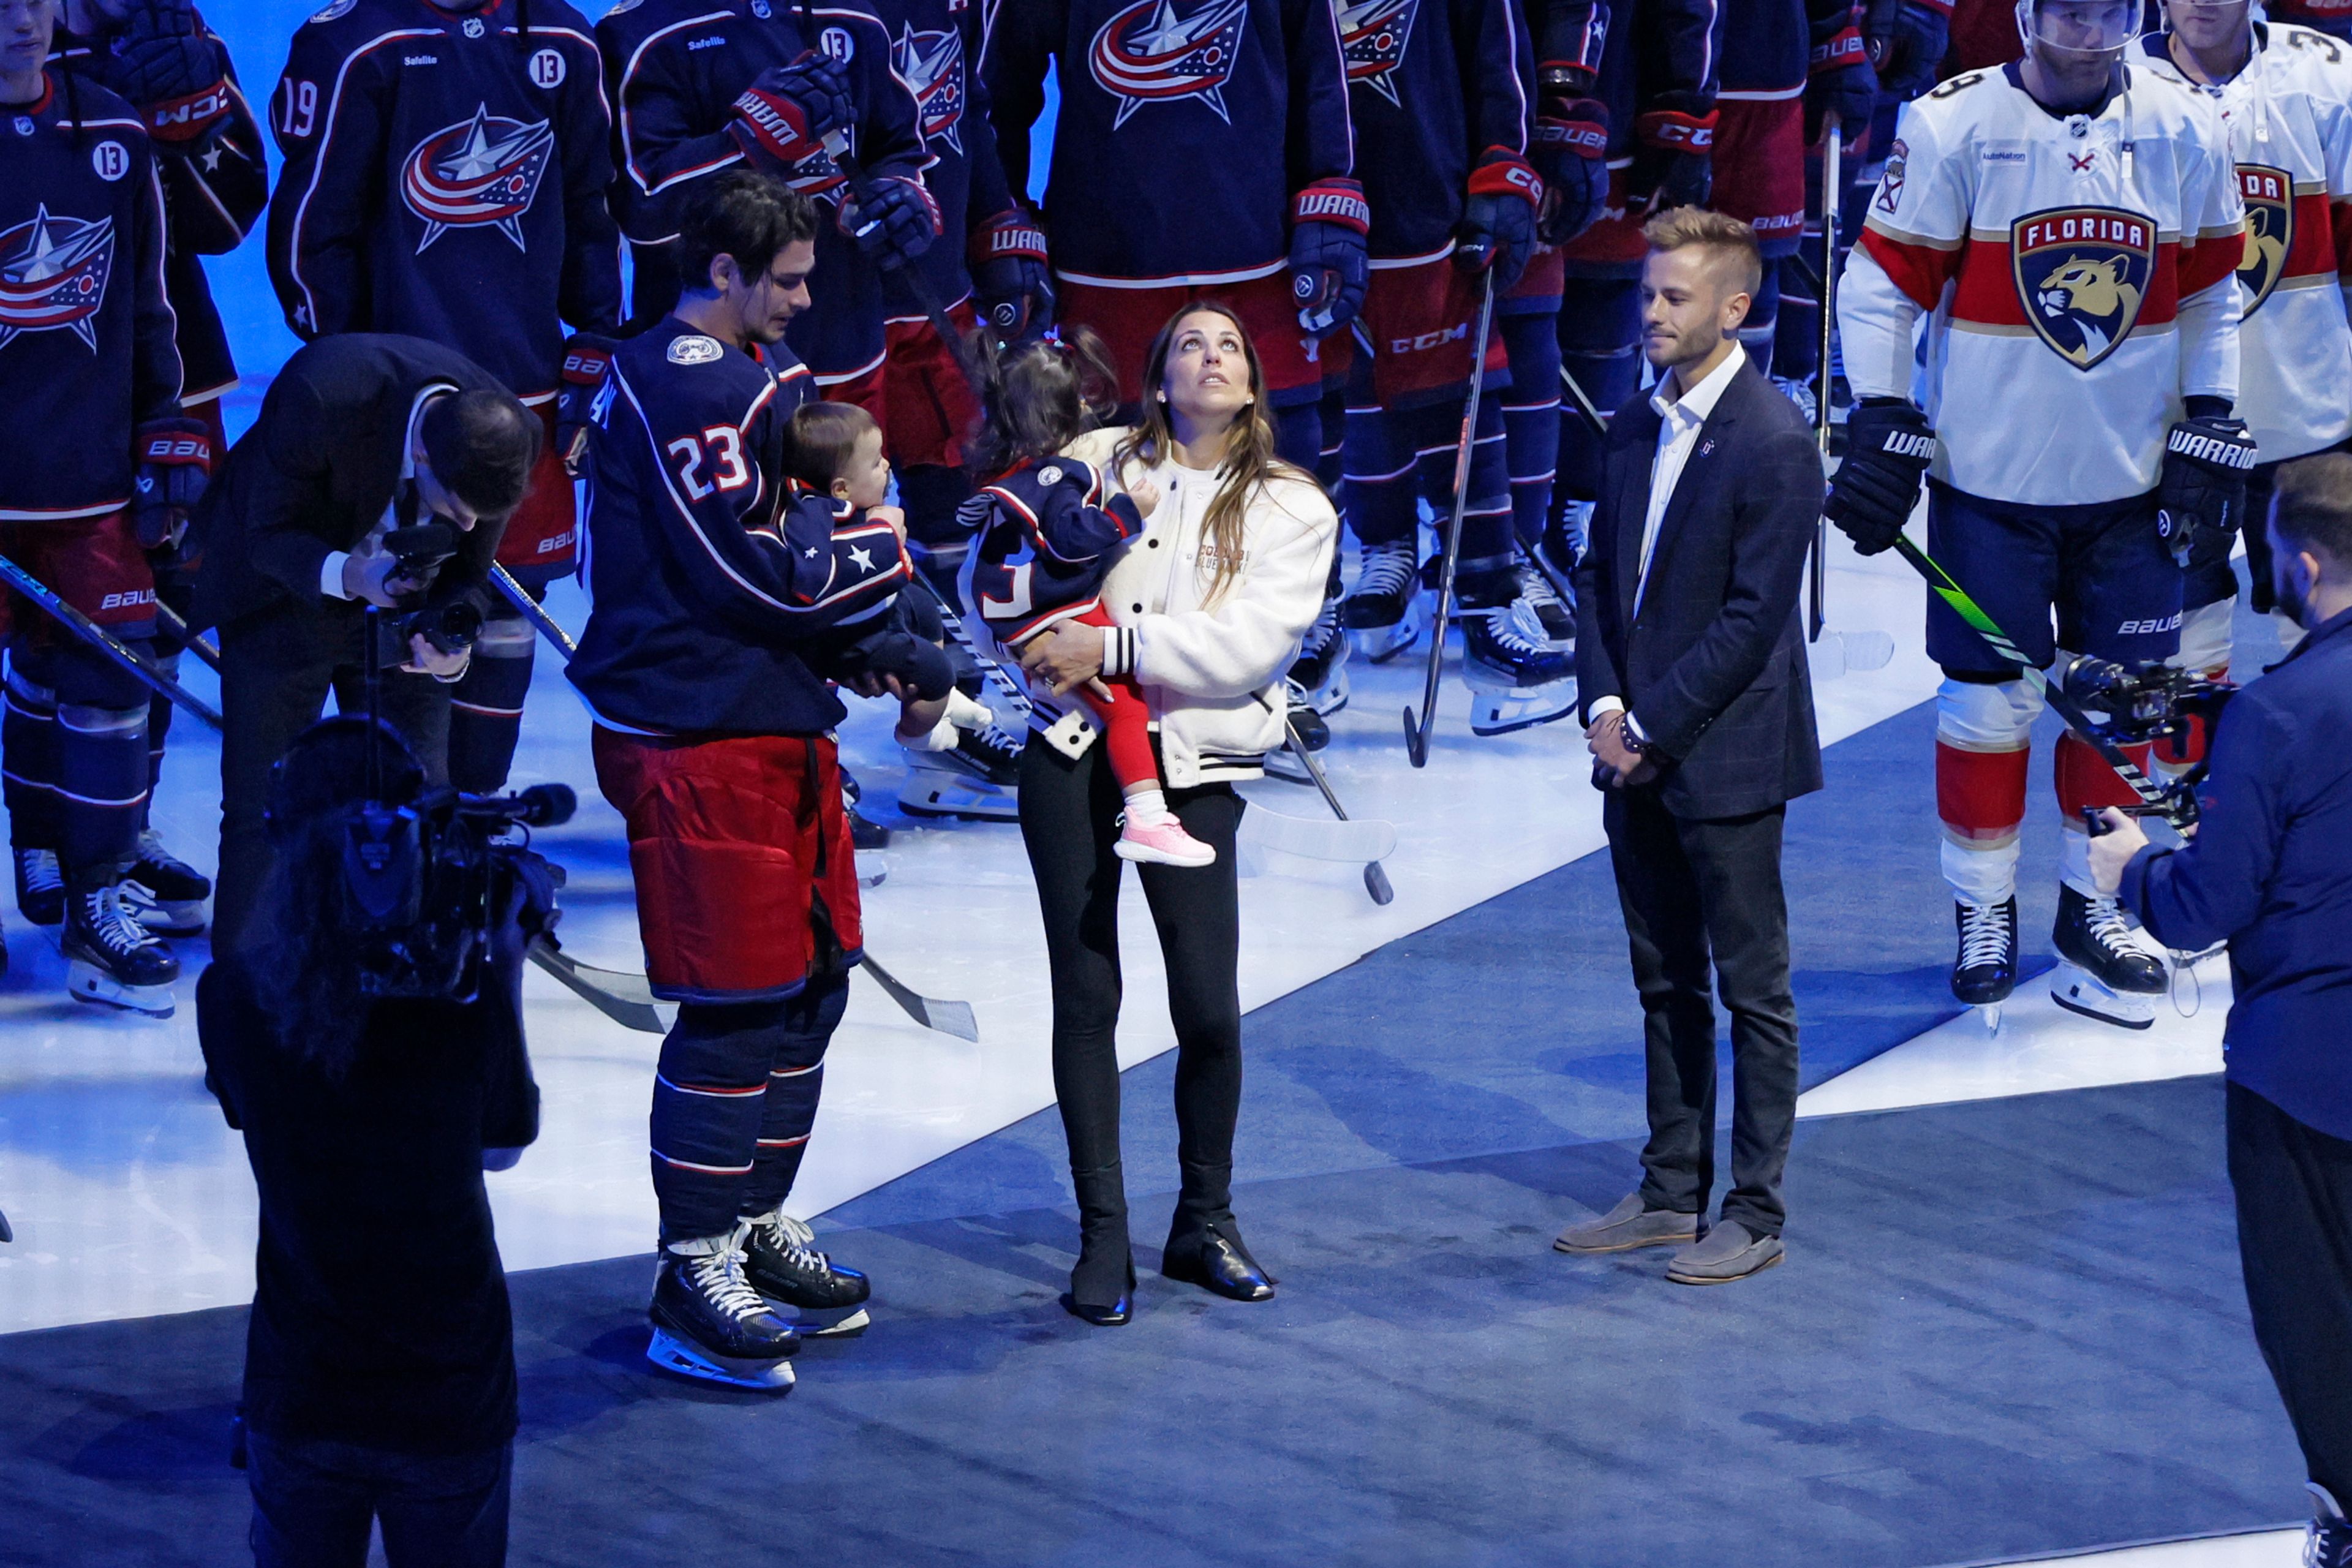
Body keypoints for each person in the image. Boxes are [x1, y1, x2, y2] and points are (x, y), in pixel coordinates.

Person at [1828, 0, 2250, 1028]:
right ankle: (1982, 908)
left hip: (2133, 485)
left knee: (2126, 706)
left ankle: (2093, 904)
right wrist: (1882, 410)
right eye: (2066, 8)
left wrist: (2211, 419)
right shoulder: (1951, 123)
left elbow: (2211, 289)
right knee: (1984, 711)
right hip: (1990, 487)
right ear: (2022, 15)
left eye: (2110, 8)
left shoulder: (2186, 124)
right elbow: (1883, 281)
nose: (2088, 29)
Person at [568, 171, 899, 1391]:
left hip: (774, 725)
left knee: (812, 988)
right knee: (736, 1004)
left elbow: (805, 553)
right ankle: (690, 1269)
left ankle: (753, 1224)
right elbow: (768, 581)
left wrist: (866, 613)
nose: (807, 302)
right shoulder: (686, 382)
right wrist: (879, 552)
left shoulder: (760, 378)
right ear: (723, 271)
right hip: (694, 737)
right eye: (791, 279)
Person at [1002, 303, 1335, 1325]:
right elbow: (1008, 576)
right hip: (1070, 759)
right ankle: (1104, 1238)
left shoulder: (1292, 506)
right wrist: (1031, 655)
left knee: (1208, 1010)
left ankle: (1206, 1221)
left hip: (1195, 774)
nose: (1212, 355)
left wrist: (1107, 652)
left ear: (1254, 381)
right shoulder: (1099, 458)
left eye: (1230, 344)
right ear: (1156, 379)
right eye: (1190, 343)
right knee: (1085, 1000)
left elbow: (1246, 648)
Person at [2087, 451, 2352, 1568]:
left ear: (2298, 561)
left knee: (2317, 1322)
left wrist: (2133, 871)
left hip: (2307, 1077)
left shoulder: (2281, 715)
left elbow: (2202, 909)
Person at [197, 717, 541, 1568]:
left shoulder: (233, 997)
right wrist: (503, 969)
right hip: (448, 1396)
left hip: (301, 1386)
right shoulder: (458, 1009)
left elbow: (253, 1108)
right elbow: (502, 1144)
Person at [1555, 208, 1823, 1285]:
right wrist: (1603, 711)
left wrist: (1649, 727)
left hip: (1728, 759)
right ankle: (1672, 1192)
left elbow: (1752, 622)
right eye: (1648, 294)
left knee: (1753, 991)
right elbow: (1593, 582)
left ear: (1734, 309)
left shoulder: (1774, 439)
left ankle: (1753, 1211)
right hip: (1635, 753)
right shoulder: (1631, 426)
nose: (1652, 313)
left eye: (1674, 298)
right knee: (1664, 980)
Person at [265, 0, 622, 795]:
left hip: (525, 396)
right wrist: (355, 374)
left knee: (508, 593)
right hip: (399, 410)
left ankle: (477, 816)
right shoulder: (352, 43)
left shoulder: (563, 37)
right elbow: (311, 231)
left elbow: (592, 210)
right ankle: (410, 826)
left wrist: (596, 340)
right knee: (404, 600)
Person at [190, 333, 538, 955]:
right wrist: (353, 576)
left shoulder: (504, 437)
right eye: (457, 510)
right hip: (279, 600)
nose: (464, 527)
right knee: (265, 811)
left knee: (422, 806)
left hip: (396, 615)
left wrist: (450, 641)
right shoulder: (323, 394)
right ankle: (246, 1017)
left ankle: (411, 998)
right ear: (426, 459)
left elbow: (468, 578)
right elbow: (267, 535)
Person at [0, 0, 207, 1013]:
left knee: (110, 687)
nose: (19, 23)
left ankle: (94, 898)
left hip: (84, 487)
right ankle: (35, 851)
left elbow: (147, 305)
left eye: (34, 2)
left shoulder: (115, 131)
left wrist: (164, 434)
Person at [46, 0, 266, 943]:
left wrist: (194, 125)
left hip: (163, 364)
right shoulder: (17, 35)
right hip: (32, 376)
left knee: (160, 597)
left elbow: (228, 220)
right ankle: (43, 830)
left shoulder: (176, 29)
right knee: (41, 616)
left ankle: (121, 831)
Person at [1332, 0, 1583, 736]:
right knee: (1331, 412)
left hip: (1428, 196)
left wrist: (1504, 170)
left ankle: (1487, 620)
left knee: (1456, 404)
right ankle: (1331, 618)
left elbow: (1498, 58)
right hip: (1305, 207)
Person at [979, 0, 1362, 472]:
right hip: (1109, 269)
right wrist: (1002, 216)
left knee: (1283, 471)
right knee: (1113, 485)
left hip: (1261, 260)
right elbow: (996, 96)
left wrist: (1329, 192)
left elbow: (1321, 73)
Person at [2135, 0, 2352, 696]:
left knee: (2325, 632)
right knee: (2183, 636)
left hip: (2308, 415)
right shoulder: (2120, 87)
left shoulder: (2328, 77)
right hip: (2164, 422)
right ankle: (2192, 807)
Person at [962, 329, 1216, 867]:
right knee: (1125, 708)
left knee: (1112, 705)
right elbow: (1070, 539)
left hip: (1020, 619)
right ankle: (1148, 815)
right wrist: (1128, 512)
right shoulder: (1063, 473)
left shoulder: (1012, 476)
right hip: (1054, 617)